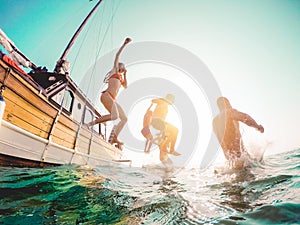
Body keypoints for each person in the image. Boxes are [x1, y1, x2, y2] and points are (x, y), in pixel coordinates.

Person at [88, 38, 131, 145]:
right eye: (122, 65)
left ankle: (114, 138)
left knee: (124, 119)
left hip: (112, 98)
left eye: (123, 66)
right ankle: (89, 124)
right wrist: (124, 44)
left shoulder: (121, 77)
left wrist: (125, 74)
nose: (122, 66)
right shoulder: (114, 70)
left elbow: (126, 86)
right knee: (115, 116)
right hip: (106, 95)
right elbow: (117, 56)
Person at [213, 97, 264, 167]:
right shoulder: (229, 112)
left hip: (230, 162)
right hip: (240, 158)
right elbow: (245, 117)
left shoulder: (214, 122)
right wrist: (257, 127)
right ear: (227, 103)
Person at [142, 94, 180, 164]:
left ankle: (165, 160)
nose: (172, 103)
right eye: (172, 100)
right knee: (175, 130)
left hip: (159, 123)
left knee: (168, 136)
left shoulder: (165, 104)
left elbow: (153, 101)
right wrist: (161, 100)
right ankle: (170, 150)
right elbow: (153, 100)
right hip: (157, 121)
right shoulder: (163, 102)